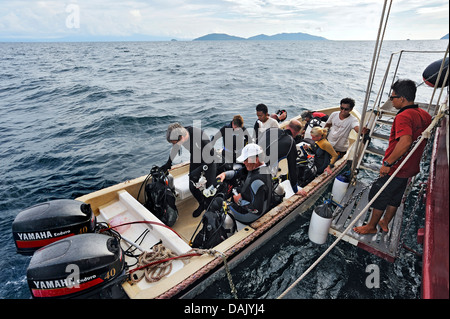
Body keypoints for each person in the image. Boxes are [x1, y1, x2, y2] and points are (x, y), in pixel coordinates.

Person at [354, 79, 432, 235]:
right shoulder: (425, 115)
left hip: (396, 167)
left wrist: (388, 163)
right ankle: (385, 222)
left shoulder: (403, 116)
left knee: (380, 193)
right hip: (410, 167)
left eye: (393, 97)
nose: (391, 100)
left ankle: (371, 226)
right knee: (396, 196)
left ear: (402, 98)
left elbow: (405, 142)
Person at [161, 123, 217, 217]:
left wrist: (199, 170)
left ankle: (211, 209)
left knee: (209, 188)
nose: (175, 145)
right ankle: (202, 204)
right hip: (195, 158)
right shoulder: (181, 136)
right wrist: (168, 163)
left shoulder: (200, 135)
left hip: (209, 160)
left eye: (175, 143)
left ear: (181, 137)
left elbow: (212, 156)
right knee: (192, 186)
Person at [216, 143, 272, 224]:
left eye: (246, 160)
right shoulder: (259, 167)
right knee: (234, 189)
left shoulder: (257, 181)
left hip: (251, 216)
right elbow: (237, 173)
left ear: (256, 160)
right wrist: (224, 174)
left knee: (218, 204)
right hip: (252, 199)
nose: (244, 162)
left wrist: (239, 201)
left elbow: (256, 210)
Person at [258, 119, 304, 194]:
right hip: (265, 171)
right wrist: (295, 189)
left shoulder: (270, 130)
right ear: (297, 132)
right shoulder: (291, 142)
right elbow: (292, 168)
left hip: (253, 161)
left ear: (286, 126)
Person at [298, 126, 338, 196]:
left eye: (313, 137)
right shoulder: (318, 141)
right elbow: (315, 152)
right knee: (301, 163)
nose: (312, 139)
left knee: (307, 172)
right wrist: (308, 148)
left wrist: (329, 167)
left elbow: (335, 155)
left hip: (322, 166)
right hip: (316, 162)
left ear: (319, 136)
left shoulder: (325, 144)